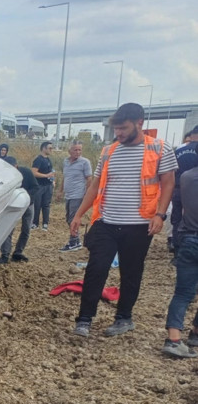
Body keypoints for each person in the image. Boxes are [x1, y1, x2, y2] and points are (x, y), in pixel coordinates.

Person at [70, 102, 177, 337]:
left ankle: (124, 318)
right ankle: (84, 319)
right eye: (116, 129)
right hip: (106, 222)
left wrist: (160, 214)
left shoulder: (160, 148)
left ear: (140, 123)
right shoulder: (108, 151)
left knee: (131, 271)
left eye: (123, 129)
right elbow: (96, 185)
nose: (118, 133)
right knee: (96, 269)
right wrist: (79, 214)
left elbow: (168, 182)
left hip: (139, 225)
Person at [163, 167, 198, 358]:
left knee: (183, 293)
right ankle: (196, 333)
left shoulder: (187, 176)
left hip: (188, 238)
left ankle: (174, 339)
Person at [0, 156, 38, 263]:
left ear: (16, 165)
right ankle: (5, 255)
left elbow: (35, 187)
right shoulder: (4, 176)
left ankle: (18, 253)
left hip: (28, 204)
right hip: (12, 206)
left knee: (26, 229)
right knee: (8, 229)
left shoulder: (26, 172)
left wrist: (27, 198)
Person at [58, 141, 93, 251]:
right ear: (69, 151)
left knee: (73, 218)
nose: (78, 152)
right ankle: (76, 240)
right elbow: (65, 177)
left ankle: (73, 242)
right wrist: (60, 190)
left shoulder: (85, 162)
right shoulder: (66, 162)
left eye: (79, 150)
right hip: (68, 195)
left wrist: (86, 194)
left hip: (78, 195)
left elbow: (89, 179)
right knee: (69, 218)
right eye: (75, 150)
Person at [170, 126, 198, 257]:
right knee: (192, 221)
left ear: (192, 135)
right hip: (194, 190)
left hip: (178, 188)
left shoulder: (180, 149)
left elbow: (171, 169)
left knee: (176, 220)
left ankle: (177, 250)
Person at [31, 140, 55, 230]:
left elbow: (51, 172)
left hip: (48, 185)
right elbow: (33, 172)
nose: (51, 150)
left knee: (46, 205)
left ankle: (45, 224)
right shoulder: (38, 159)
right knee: (37, 205)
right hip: (40, 185)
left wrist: (52, 180)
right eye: (49, 148)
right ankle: (35, 223)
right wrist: (46, 176)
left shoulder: (48, 159)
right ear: (44, 148)